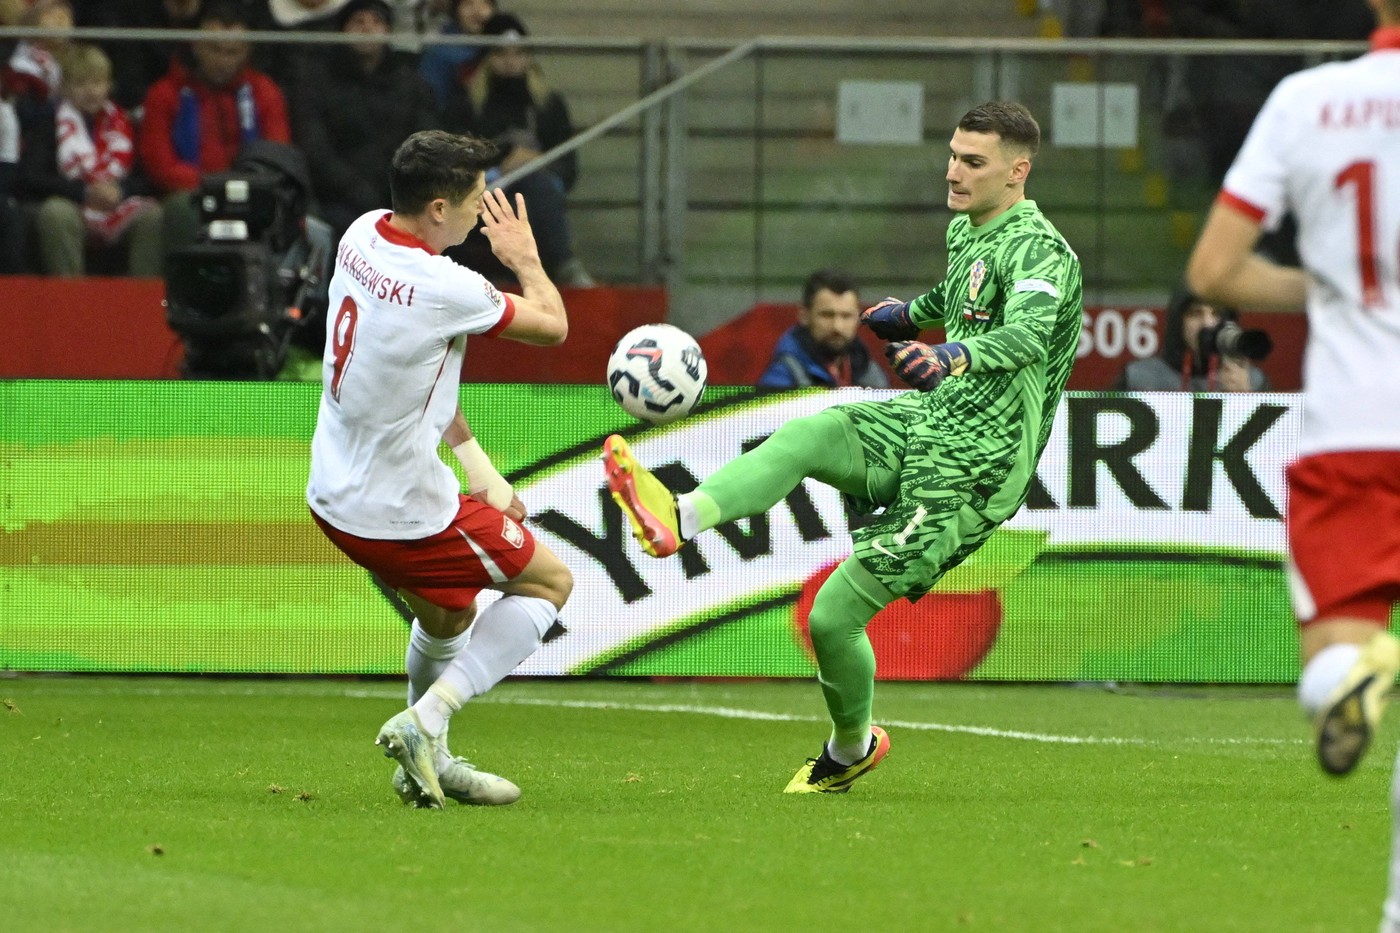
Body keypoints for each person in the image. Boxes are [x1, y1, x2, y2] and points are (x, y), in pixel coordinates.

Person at [603, 101, 1081, 794]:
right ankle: (683, 516)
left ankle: (850, 747)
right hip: (933, 421)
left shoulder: (1040, 250)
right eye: (951, 153)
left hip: (981, 464)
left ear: (1018, 171)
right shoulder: (968, 229)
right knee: (814, 431)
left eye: (973, 162)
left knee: (831, 616)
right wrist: (909, 315)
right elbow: (965, 293)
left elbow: (1029, 333)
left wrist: (949, 355)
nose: (953, 170)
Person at [1185, 0, 1400, 926]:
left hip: (1353, 426)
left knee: (1334, 660)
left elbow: (1216, 272)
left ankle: (1354, 678)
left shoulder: (1310, 100)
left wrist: (1332, 284)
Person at [306, 129, 572, 808]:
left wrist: (477, 465)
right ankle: (426, 722)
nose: (484, 214)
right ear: (436, 209)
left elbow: (421, 373)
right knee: (550, 582)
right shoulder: (446, 285)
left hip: (333, 494)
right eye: (475, 201)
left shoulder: (360, 235)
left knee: (451, 614)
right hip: (398, 511)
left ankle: (424, 760)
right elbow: (553, 326)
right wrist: (527, 259)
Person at [441, 12, 593, 287]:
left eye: (519, 52)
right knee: (520, 199)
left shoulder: (548, 104)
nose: (511, 60)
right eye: (501, 53)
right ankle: (560, 265)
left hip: (539, 193)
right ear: (486, 58)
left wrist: (534, 163)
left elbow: (568, 166)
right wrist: (501, 168)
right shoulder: (466, 105)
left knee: (533, 187)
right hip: (485, 194)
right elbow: (455, 163)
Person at [138, 0, 292, 255]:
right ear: (196, 45)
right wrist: (215, 188)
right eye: (214, 49)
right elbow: (160, 165)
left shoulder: (265, 92)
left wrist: (242, 187)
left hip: (252, 191)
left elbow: (277, 156)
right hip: (192, 193)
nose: (222, 60)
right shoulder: (165, 94)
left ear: (247, 52)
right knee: (180, 208)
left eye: (233, 52)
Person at [292, 0, 439, 240]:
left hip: (400, 192)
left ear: (388, 31)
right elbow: (315, 149)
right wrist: (355, 189)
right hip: (336, 198)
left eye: (376, 22)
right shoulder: (316, 82)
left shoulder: (411, 83)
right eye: (358, 22)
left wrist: (400, 186)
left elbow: (425, 140)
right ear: (342, 31)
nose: (367, 28)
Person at [16, 43, 163, 276]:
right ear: (64, 88)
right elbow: (31, 178)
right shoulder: (47, 124)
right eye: (81, 84)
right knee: (56, 213)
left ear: (108, 85)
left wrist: (119, 190)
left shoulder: (127, 124)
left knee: (152, 216)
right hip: (72, 203)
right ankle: (70, 302)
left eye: (97, 83)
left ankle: (141, 302)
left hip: (118, 202)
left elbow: (147, 177)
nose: (91, 91)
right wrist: (84, 192)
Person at [1112, 285, 1270, 391]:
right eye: (1196, 313)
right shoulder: (1138, 379)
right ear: (1178, 321)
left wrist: (1247, 402)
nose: (1207, 323)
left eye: (1216, 314)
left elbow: (1274, 440)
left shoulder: (1253, 382)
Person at [757, 269, 889, 390]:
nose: (837, 326)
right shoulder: (784, 374)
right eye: (827, 315)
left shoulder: (870, 372)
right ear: (804, 315)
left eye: (846, 316)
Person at [417, 0, 494, 108]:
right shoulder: (439, 52)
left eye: (484, 3)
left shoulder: (499, 48)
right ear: (456, 11)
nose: (477, 11)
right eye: (468, 4)